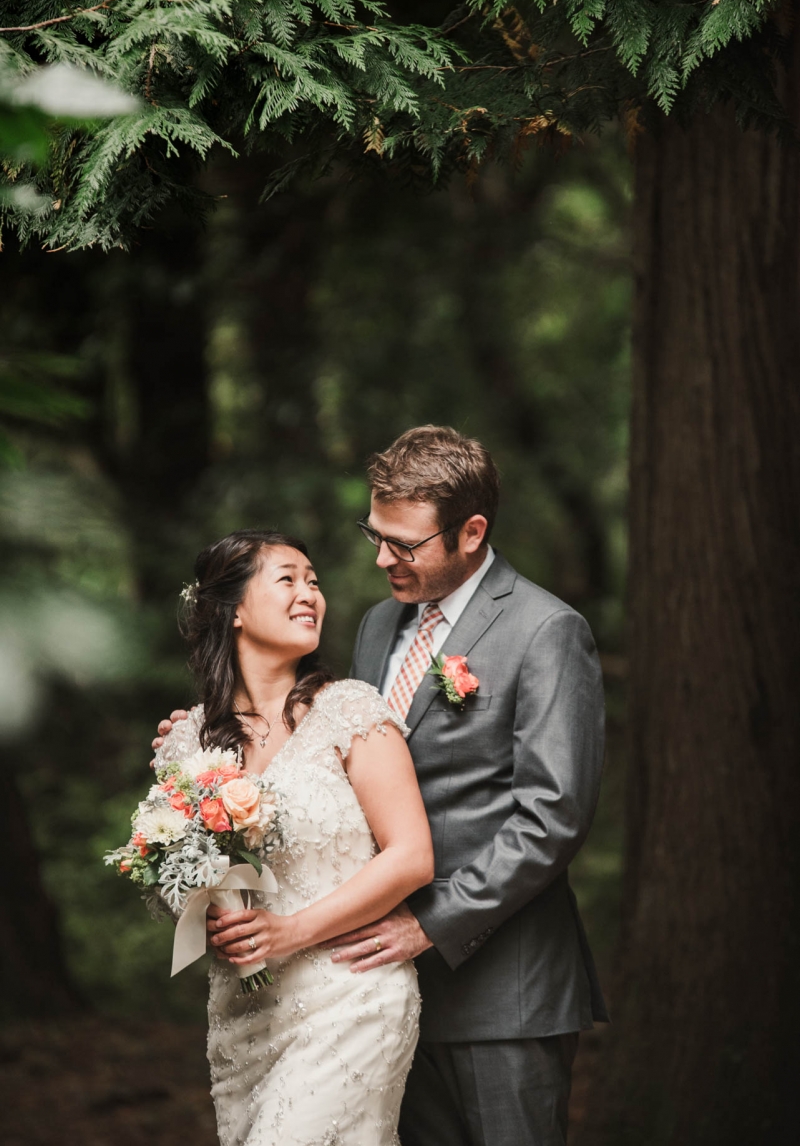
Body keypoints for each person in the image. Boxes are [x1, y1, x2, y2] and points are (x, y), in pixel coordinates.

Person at [156, 426, 609, 1146]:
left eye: (403, 544)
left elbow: (552, 817)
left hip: (500, 990)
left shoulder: (544, 630)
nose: (380, 558)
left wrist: (432, 923)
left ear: (471, 532)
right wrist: (210, 748)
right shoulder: (376, 627)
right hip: (369, 993)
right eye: (375, 534)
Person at [152, 529, 434, 1146]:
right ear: (233, 611)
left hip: (349, 993)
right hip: (243, 1017)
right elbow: (175, 878)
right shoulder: (190, 741)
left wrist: (290, 932)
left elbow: (412, 858)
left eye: (314, 580)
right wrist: (211, 916)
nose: (311, 593)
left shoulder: (350, 711)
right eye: (288, 579)